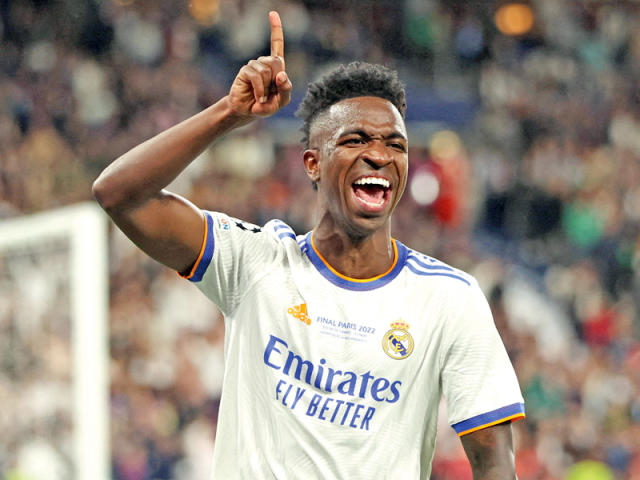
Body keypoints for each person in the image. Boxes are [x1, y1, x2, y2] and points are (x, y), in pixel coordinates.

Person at [93, 11, 525, 479]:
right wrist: (229, 114)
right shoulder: (255, 262)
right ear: (313, 164)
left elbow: (493, 462)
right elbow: (119, 195)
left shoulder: (450, 298)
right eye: (356, 140)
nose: (379, 155)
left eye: (395, 144)